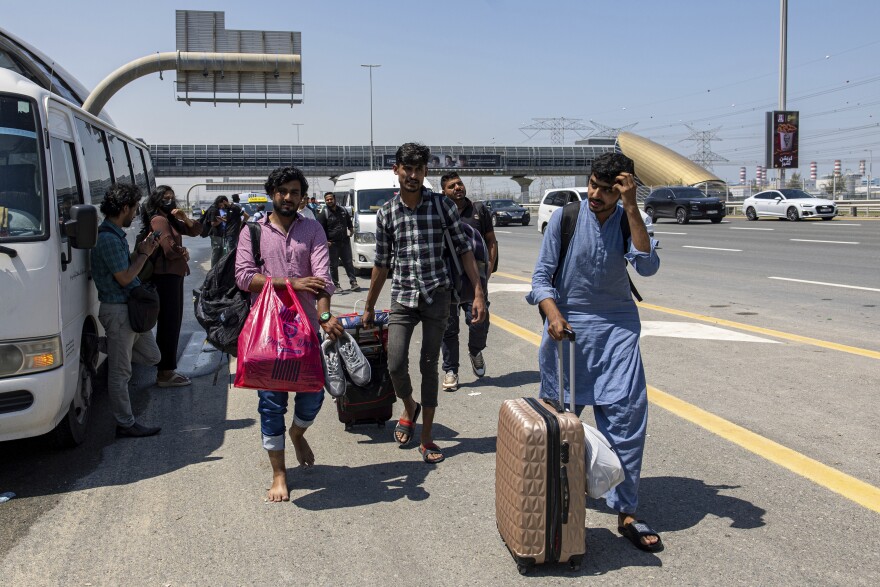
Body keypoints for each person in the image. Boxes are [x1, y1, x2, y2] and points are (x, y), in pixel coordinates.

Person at [526, 152, 663, 552]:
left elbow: (648, 265)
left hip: (618, 330)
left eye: (608, 189)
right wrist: (551, 313)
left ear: (623, 189)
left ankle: (628, 513)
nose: (596, 194)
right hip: (565, 333)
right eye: (593, 185)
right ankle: (554, 502)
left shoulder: (628, 217)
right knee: (559, 427)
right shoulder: (565, 218)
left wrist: (632, 207)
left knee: (627, 420)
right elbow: (540, 277)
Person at [362, 142, 487, 464]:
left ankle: (427, 435)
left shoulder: (442, 206)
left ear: (425, 172)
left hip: (437, 296)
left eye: (419, 169)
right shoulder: (387, 213)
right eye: (407, 169)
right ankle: (409, 407)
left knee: (428, 365)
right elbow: (381, 264)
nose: (413, 175)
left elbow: (464, 251)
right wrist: (369, 305)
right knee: (395, 364)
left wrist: (478, 293)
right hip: (403, 297)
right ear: (397, 170)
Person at [235, 166, 344, 502]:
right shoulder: (252, 231)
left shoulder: (312, 229)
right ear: (272, 193)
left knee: (313, 395)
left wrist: (325, 314)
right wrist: (289, 283)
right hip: (267, 334)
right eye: (282, 191)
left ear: (302, 197)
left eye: (294, 192)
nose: (288, 197)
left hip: (307, 331)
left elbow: (322, 279)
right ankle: (279, 474)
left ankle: (297, 433)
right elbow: (243, 277)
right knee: (271, 404)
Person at [91, 183, 163, 438]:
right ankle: (125, 423)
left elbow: (125, 268)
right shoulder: (108, 239)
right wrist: (143, 256)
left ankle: (102, 345)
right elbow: (123, 278)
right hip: (119, 311)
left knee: (152, 356)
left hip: (129, 312)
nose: (135, 214)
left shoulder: (116, 236)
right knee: (120, 373)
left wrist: (143, 251)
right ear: (124, 208)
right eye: (134, 209)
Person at [439, 172, 497, 391]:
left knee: (479, 321)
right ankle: (450, 370)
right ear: (443, 191)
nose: (457, 188)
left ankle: (475, 350)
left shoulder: (479, 210)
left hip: (475, 278)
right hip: (448, 278)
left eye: (460, 184)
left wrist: (489, 268)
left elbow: (491, 241)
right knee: (449, 327)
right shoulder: (441, 213)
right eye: (451, 186)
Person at [141, 185, 203, 387]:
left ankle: (167, 370)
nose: (170, 201)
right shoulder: (159, 220)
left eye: (171, 198)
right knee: (169, 323)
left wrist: (185, 218)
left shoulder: (171, 219)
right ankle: (165, 373)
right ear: (157, 200)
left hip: (173, 276)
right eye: (165, 198)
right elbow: (168, 249)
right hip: (164, 277)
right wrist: (182, 251)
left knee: (173, 322)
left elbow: (197, 230)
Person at [317, 191, 359, 292]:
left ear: (334, 199)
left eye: (331, 199)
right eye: (327, 200)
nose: (329, 201)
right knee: (333, 265)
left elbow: (349, 222)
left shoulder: (343, 210)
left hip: (344, 242)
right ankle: (336, 285)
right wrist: (326, 241)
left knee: (348, 263)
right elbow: (320, 229)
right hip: (332, 244)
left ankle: (353, 283)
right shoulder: (324, 213)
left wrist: (351, 229)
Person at [205, 195, 230, 267]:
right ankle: (213, 271)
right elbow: (213, 223)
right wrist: (221, 220)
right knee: (216, 252)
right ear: (220, 202)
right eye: (222, 204)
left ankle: (217, 269)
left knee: (220, 252)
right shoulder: (214, 209)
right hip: (215, 234)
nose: (223, 206)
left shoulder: (216, 208)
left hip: (218, 234)